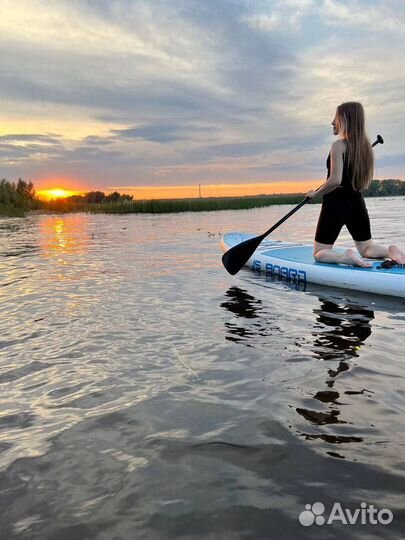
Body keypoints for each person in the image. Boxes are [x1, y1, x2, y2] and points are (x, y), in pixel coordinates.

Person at [306, 101, 405, 267]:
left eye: (335, 118)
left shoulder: (338, 145)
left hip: (335, 203)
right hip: (357, 201)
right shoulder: (365, 148)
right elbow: (364, 184)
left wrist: (315, 194)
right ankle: (390, 251)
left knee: (319, 253)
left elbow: (335, 180)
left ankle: (345, 258)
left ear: (345, 120)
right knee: (367, 248)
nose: (332, 122)